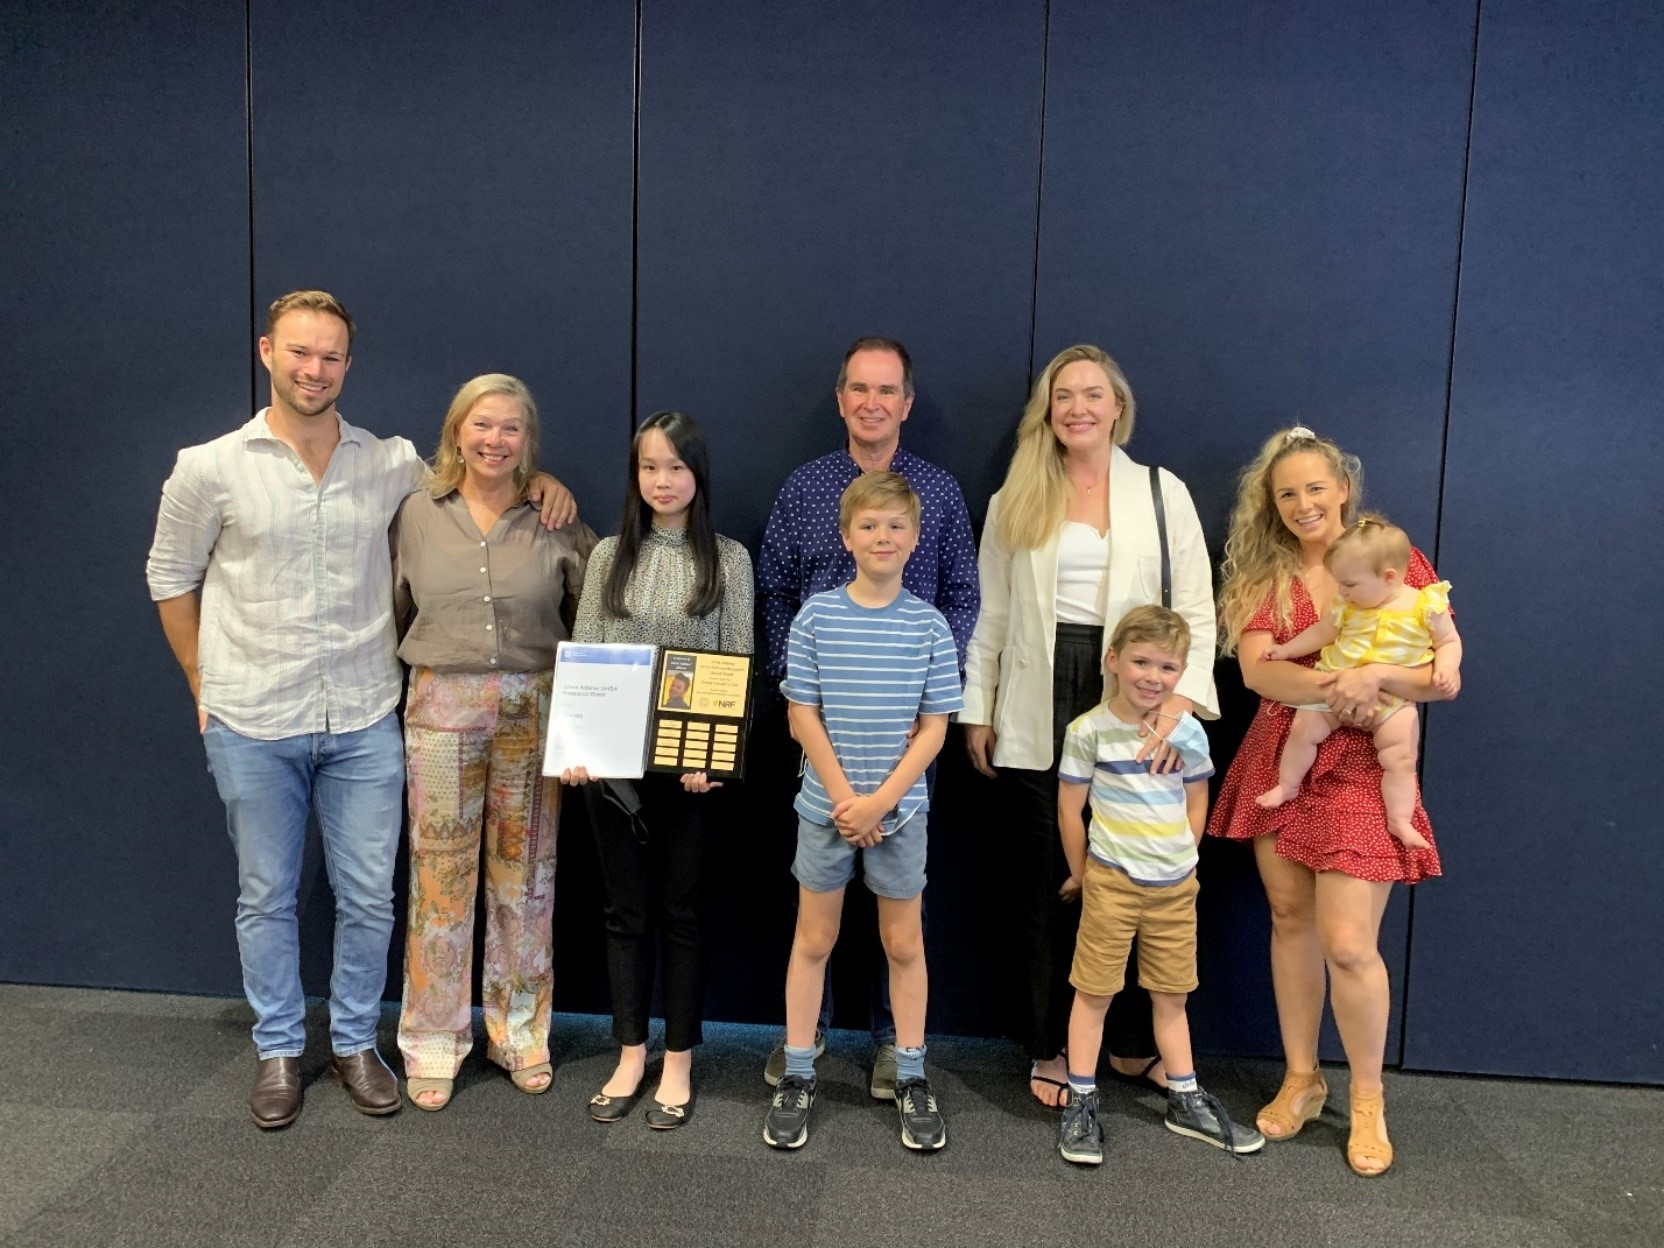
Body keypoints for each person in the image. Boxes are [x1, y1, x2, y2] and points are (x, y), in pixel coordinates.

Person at [145, 290, 575, 1130]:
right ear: (267, 352)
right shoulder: (210, 467)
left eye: (331, 355)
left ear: (348, 363)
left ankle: (352, 1044)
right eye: (300, 352)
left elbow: (485, 473)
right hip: (253, 718)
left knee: (373, 898)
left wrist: (541, 480)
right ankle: (278, 1050)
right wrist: (203, 683)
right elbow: (169, 576)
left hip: (364, 718)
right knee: (266, 896)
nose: (315, 369)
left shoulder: (390, 465)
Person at [960, 344, 1217, 1109]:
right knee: (1052, 882)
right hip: (1038, 698)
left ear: (1117, 408)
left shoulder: (1161, 493)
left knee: (1140, 874)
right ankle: (1049, 1044)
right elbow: (992, 611)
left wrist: (1181, 704)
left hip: (1137, 698)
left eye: (1092, 394)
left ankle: (1133, 1042)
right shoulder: (1017, 495)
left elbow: (1196, 610)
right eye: (1063, 395)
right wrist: (980, 705)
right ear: (1047, 410)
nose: (1077, 407)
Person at [1208, 425, 1457, 1177]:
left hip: (1366, 763)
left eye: (1316, 487)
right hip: (1283, 750)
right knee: (1290, 919)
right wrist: (1336, 684)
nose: (1303, 503)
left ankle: (1368, 1100)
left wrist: (1373, 679)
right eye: (1287, 493)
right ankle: (1302, 1079)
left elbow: (1441, 674)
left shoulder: (1394, 557)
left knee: (1348, 943)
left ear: (1344, 488)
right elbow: (1260, 674)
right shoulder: (1265, 578)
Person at [756, 336, 979, 1098]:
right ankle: (806, 1040)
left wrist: (925, 699)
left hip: (905, 741)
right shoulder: (806, 488)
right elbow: (775, 590)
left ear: (906, 403)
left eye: (887, 390)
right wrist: (800, 692)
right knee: (812, 919)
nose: (872, 402)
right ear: (841, 398)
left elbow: (963, 595)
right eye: (860, 388)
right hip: (823, 733)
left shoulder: (938, 493)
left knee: (902, 922)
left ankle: (895, 1048)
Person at [392, 374, 596, 1111]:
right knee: (440, 883)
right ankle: (432, 1041)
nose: (495, 440)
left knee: (526, 879)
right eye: (481, 425)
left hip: (533, 714)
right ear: (456, 431)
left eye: (511, 428)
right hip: (442, 712)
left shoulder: (555, 517)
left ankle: (520, 1034)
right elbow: (394, 609)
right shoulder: (416, 512)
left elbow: (593, 618)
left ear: (527, 440)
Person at [561, 411, 754, 1130]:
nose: (662, 480)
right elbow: (587, 657)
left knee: (682, 912)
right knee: (624, 912)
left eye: (675, 467)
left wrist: (714, 758)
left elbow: (737, 661)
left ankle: (678, 1059)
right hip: (612, 769)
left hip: (691, 773)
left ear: (697, 474)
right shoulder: (609, 555)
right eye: (649, 466)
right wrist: (577, 746)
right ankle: (629, 1052)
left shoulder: (728, 559)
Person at [763, 472, 962, 1152]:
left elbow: (934, 730)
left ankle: (910, 1073)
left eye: (896, 526)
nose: (883, 537)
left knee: (904, 945)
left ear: (915, 538)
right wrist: (848, 800)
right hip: (826, 810)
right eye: (870, 526)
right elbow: (801, 715)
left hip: (900, 814)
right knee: (813, 940)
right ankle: (798, 1071)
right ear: (846, 537)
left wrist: (879, 802)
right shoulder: (816, 618)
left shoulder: (929, 625)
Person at [1054, 606, 1263, 1165]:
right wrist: (1084, 874)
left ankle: (1185, 1098)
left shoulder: (1188, 732)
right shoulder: (1088, 731)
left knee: (1172, 995)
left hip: (1174, 887)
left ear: (1182, 672)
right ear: (1113, 659)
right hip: (1112, 883)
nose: (1153, 677)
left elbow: (1197, 797)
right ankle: (1081, 1101)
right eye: (1141, 662)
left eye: (1167, 667)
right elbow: (1070, 810)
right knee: (1093, 992)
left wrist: (1186, 858)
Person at [1256, 515, 1461, 847]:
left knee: (1401, 757)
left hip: (1392, 702)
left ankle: (1400, 819)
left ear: (1388, 577)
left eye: (1349, 584)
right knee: (1303, 730)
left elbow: (1449, 641)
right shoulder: (1347, 606)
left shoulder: (1425, 605)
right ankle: (1287, 785)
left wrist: (1447, 670)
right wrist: (1286, 650)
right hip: (1334, 690)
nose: (1342, 591)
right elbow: (1322, 633)